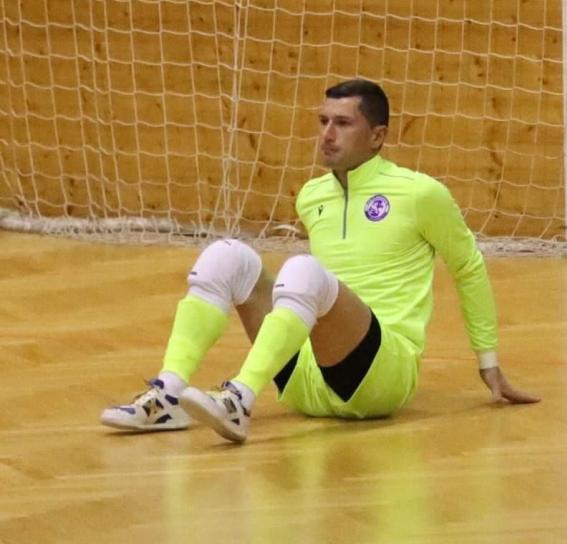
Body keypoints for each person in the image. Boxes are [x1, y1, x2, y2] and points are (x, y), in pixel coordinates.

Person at [101, 78, 538, 443]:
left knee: (302, 270)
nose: (327, 134)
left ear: (377, 136)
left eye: (343, 123)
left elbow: (468, 266)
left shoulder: (421, 194)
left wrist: (488, 361)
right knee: (226, 255)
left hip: (380, 378)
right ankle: (167, 396)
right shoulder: (312, 195)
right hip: (307, 380)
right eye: (323, 121)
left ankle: (239, 398)